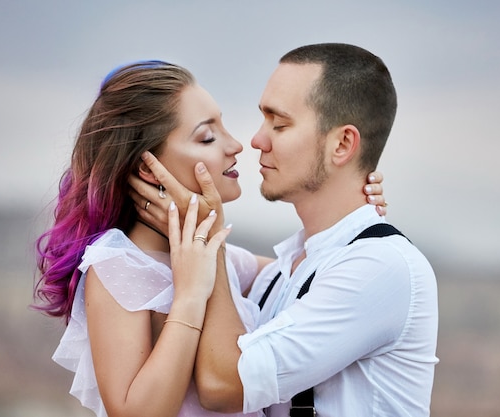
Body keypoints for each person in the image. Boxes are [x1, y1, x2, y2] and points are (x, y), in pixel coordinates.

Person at [33, 59, 387, 417]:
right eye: (207, 136)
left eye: (224, 127)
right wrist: (189, 297)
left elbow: (306, 273)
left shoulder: (218, 256)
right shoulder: (119, 265)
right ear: (147, 167)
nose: (235, 145)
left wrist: (353, 207)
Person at [137, 43, 438, 417]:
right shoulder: (283, 270)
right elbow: (174, 263)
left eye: (279, 124)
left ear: (342, 144)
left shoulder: (380, 266)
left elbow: (223, 386)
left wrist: (208, 236)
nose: (256, 140)